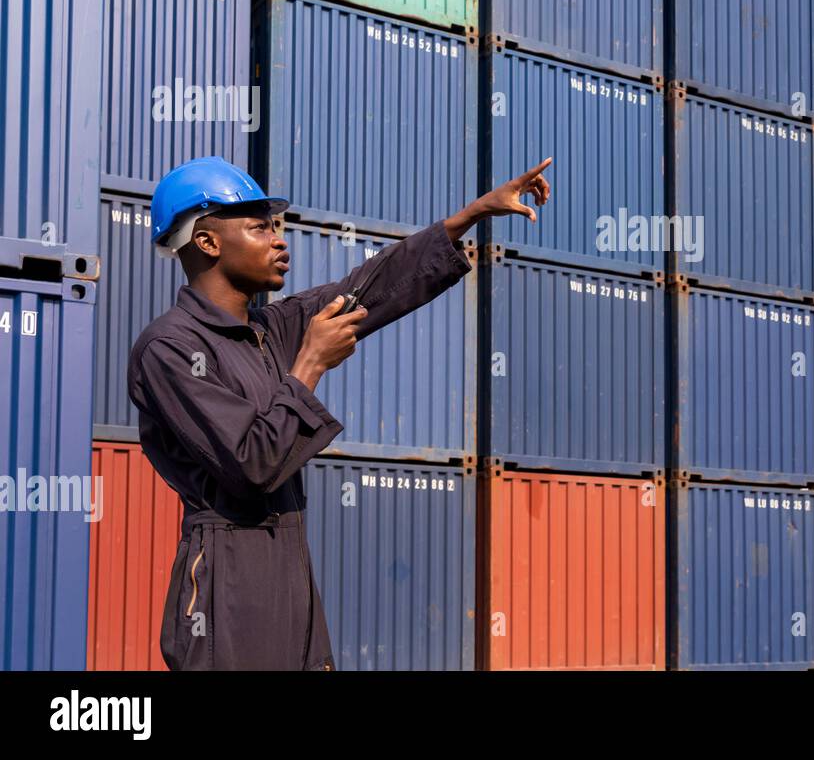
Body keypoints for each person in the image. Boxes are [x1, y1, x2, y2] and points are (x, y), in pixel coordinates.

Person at [127, 155, 551, 670]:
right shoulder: (169, 349)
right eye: (260, 228)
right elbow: (250, 464)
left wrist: (470, 216)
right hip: (226, 579)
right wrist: (309, 366)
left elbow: (369, 287)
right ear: (208, 242)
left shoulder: (272, 330)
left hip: (287, 560)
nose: (280, 240)